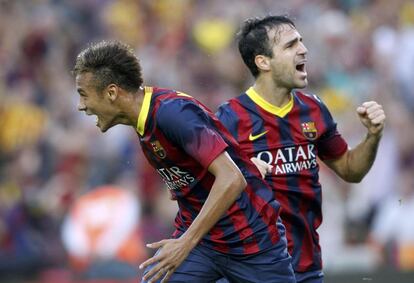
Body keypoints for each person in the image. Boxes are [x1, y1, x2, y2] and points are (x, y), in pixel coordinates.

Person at [73, 40, 295, 283]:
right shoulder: (144, 121)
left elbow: (232, 178)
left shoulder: (171, 112)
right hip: (205, 244)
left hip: (252, 243)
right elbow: (210, 160)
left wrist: (185, 243)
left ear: (112, 92)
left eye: (84, 95)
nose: (81, 106)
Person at [216, 15, 386, 283]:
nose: (303, 49)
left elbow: (351, 170)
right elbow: (204, 187)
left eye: (301, 42)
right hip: (252, 270)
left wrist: (373, 136)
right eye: (290, 45)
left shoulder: (314, 109)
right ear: (263, 62)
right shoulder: (230, 118)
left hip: (306, 267)